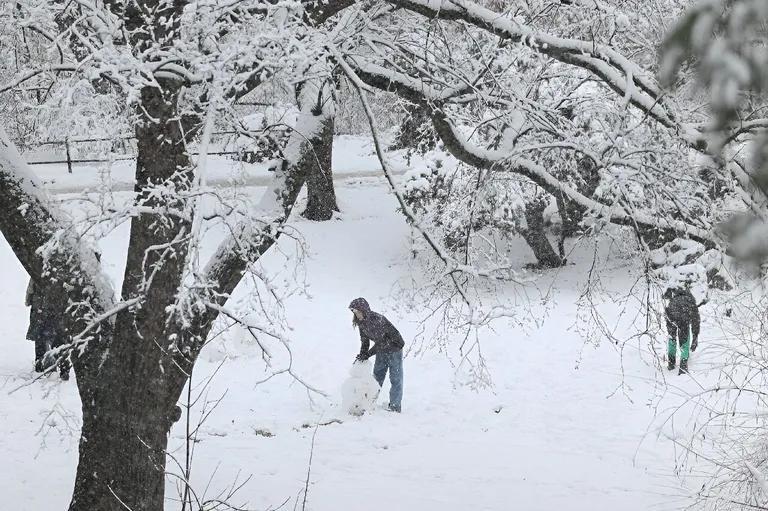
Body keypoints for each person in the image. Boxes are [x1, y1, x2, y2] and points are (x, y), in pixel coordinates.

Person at [349, 297, 405, 412]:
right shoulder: (361, 323)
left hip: (395, 347)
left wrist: (368, 354)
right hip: (382, 349)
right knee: (376, 378)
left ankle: (395, 407)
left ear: (364, 310)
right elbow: (365, 342)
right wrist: (362, 355)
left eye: (358, 311)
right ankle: (369, 403)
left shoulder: (377, 320)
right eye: (354, 312)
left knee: (395, 378)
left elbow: (381, 342)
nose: (356, 314)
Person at [25, 278, 70, 380]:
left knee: (39, 337)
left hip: (40, 309)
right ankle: (64, 367)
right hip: (59, 310)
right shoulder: (63, 271)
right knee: (60, 339)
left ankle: (39, 365)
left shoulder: (38, 270)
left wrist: (28, 300)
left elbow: (31, 289)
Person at [663, 285, 700, 375]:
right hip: (683, 318)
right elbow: (695, 320)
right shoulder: (691, 300)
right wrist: (695, 337)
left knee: (672, 338)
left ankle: (671, 363)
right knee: (685, 341)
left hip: (671, 317)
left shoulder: (673, 299)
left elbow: (667, 310)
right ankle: (683, 366)